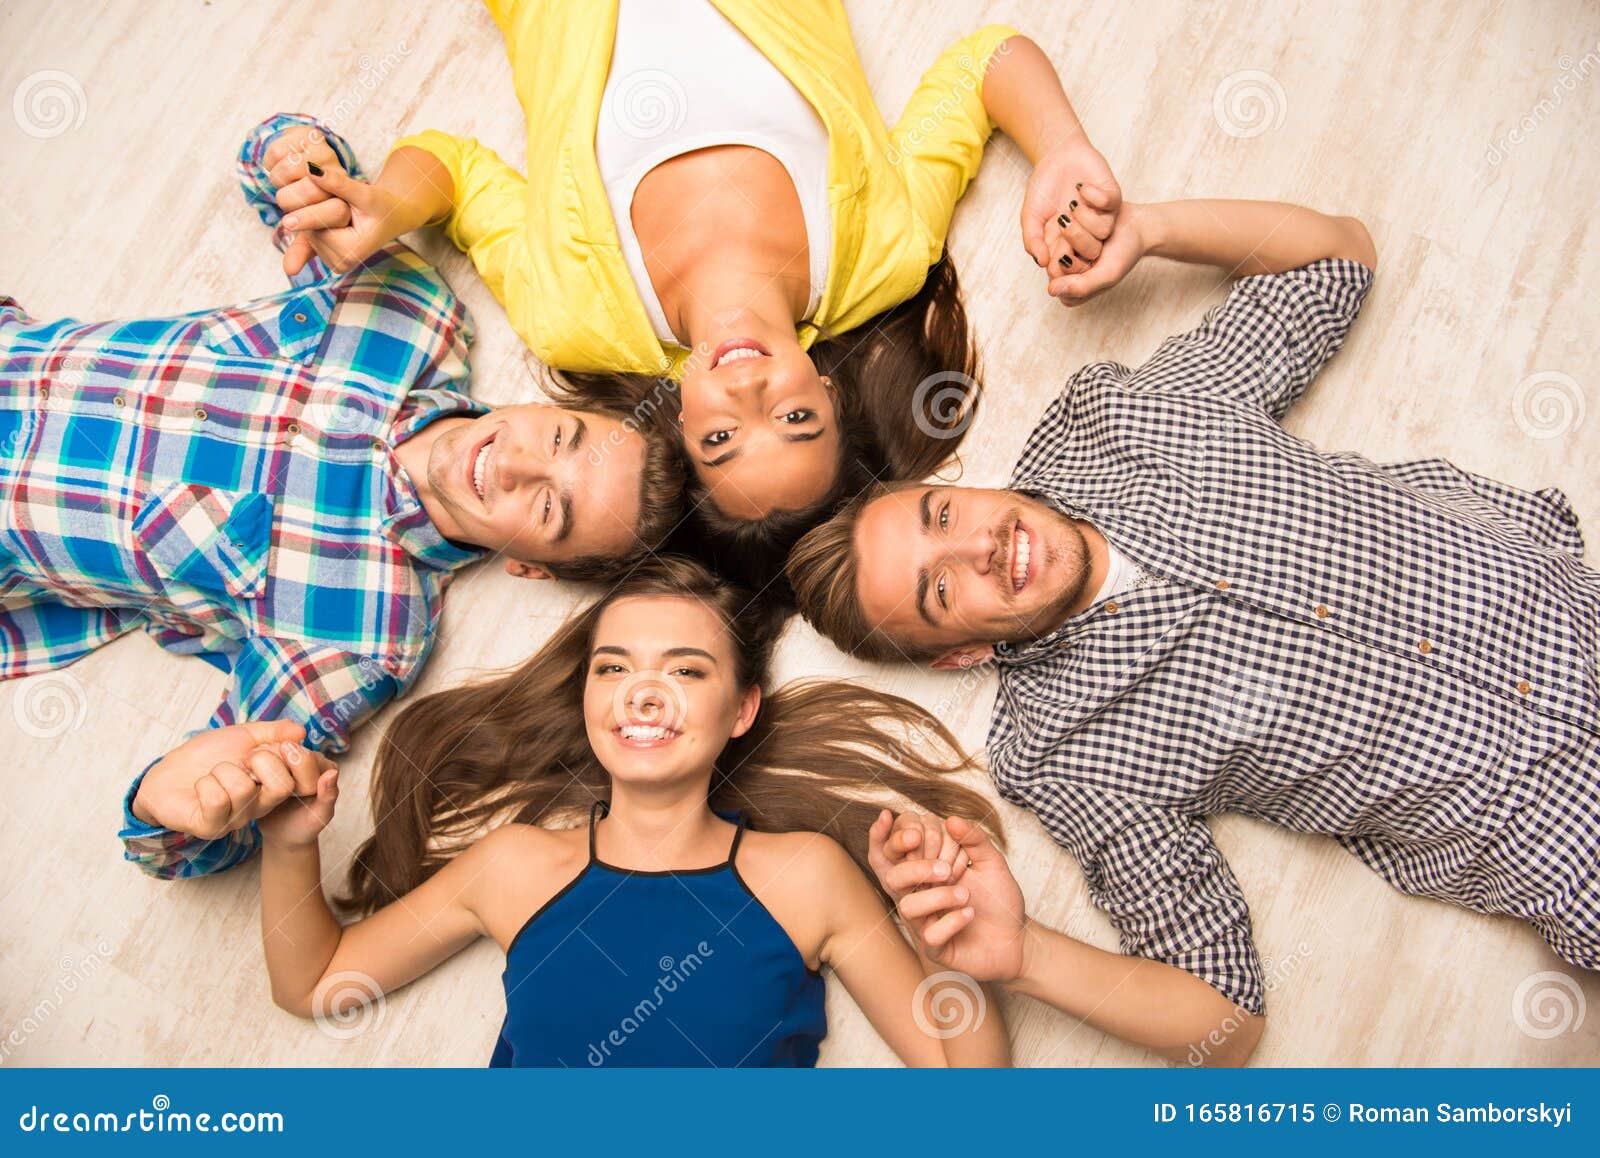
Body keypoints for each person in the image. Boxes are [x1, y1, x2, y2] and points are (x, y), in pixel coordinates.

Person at [786, 195, 1600, 1062]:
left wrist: (1150, 231)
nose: (981, 545)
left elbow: (1337, 259)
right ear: (962, 653)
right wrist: (1023, 956)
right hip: (1553, 821)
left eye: (944, 515)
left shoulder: (1114, 423)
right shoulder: (1063, 753)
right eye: (940, 590)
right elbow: (1225, 1022)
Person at [0, 113, 683, 881]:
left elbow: (205, 827)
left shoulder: (361, 635)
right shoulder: (410, 319)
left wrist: (168, 803)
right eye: (558, 439)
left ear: (532, 568)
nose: (522, 467)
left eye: (551, 510)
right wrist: (300, 160)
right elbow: (275, 171)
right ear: (542, 406)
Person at [268, 0, 1124, 574]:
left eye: (721, 440)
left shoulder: (577, 316)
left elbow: (453, 168)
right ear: (827, 391)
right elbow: (986, 62)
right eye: (793, 418)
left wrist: (385, 206)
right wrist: (1063, 147)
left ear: (678, 424)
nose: (749, 387)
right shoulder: (882, 255)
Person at [238, 556, 1011, 1067]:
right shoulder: (516, 868)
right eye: (614, 668)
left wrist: (945, 941)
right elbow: (315, 984)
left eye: (686, 668)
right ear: (589, 699)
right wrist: (291, 843)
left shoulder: (805, 876)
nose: (645, 692)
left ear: (742, 710)